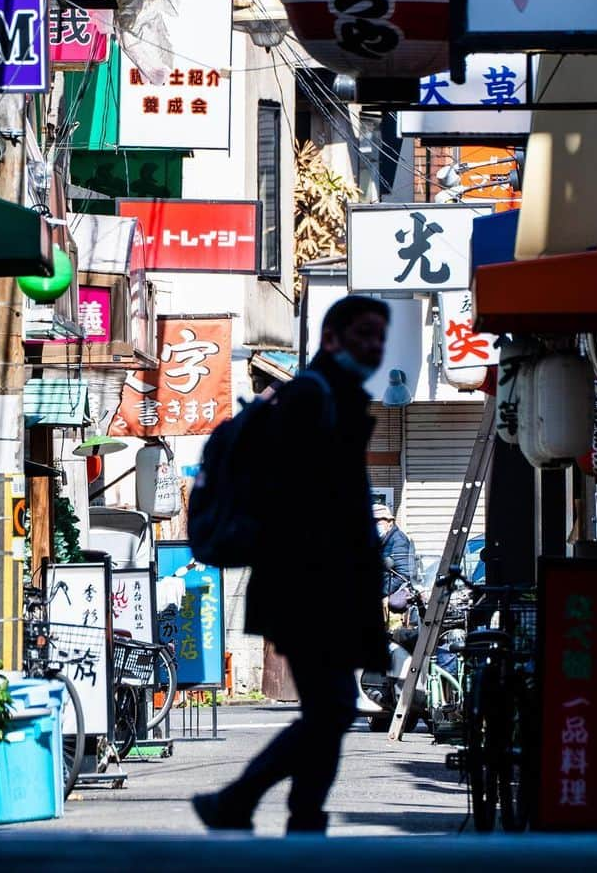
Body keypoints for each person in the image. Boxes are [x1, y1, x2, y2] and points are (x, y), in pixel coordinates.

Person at [192, 295, 391, 836]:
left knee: (332, 709)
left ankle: (286, 814)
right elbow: (291, 497)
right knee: (333, 707)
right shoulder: (311, 396)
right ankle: (249, 803)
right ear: (331, 339)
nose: (374, 346)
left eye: (381, 336)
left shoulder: (335, 395)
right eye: (364, 334)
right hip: (310, 585)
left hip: (325, 583)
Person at [374, 502, 415, 605]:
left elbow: (403, 575)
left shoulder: (398, 540)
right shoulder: (380, 540)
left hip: (392, 591)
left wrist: (382, 593)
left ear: (390, 522)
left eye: (378, 521)